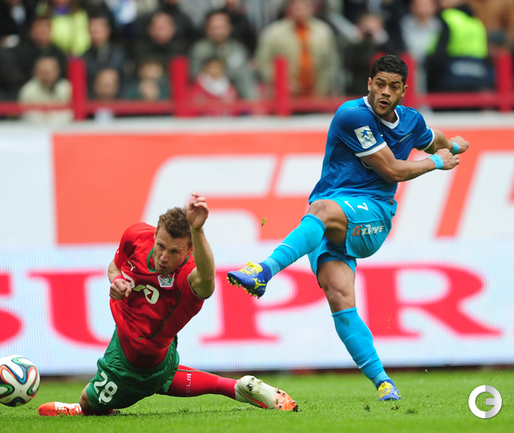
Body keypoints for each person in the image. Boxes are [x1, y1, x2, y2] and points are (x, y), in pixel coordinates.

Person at [227, 54, 469, 401]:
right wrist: (436, 161)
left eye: (394, 87)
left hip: (373, 215)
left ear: (404, 91)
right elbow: (392, 169)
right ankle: (384, 383)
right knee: (339, 298)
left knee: (321, 209)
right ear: (369, 83)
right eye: (380, 84)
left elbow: (433, 138)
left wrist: (453, 146)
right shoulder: (353, 115)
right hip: (331, 221)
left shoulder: (411, 121)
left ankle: (263, 271)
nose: (385, 92)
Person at [38, 194, 298, 416]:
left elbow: (207, 279)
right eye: (160, 246)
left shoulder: (187, 277)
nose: (163, 257)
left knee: (88, 401)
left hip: (138, 357)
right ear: (154, 234)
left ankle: (91, 407)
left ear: (189, 251)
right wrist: (116, 280)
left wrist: (198, 231)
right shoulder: (135, 236)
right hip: (134, 342)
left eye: (174, 252)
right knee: (162, 377)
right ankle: (235, 388)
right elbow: (114, 267)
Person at [255, 0, 341, 97]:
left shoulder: (323, 31)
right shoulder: (273, 33)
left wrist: (326, 87)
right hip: (283, 94)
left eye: (303, 5)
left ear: (311, 8)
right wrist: (282, 83)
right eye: (295, 6)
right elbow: (263, 62)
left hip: (318, 94)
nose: (299, 9)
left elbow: (332, 63)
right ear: (288, 8)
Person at [189, 10, 258, 101]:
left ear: (230, 28)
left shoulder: (239, 49)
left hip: (237, 100)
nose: (218, 32)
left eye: (221, 27)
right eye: (214, 28)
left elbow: (246, 78)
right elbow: (194, 76)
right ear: (207, 29)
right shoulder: (199, 50)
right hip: (207, 99)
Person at [17, 54, 72, 123]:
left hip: (63, 128)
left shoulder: (66, 88)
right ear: (35, 72)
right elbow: (28, 117)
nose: (46, 76)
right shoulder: (28, 91)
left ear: (57, 72)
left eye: (49, 72)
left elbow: (71, 114)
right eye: (43, 72)